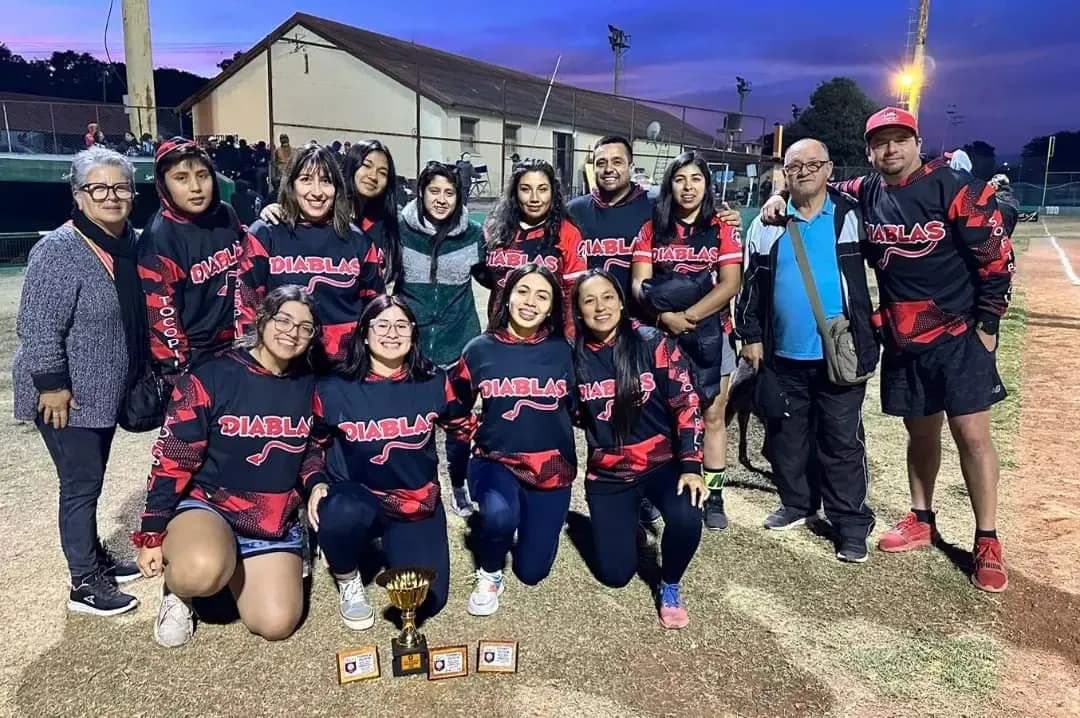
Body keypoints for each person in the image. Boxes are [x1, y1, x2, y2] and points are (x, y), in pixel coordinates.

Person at [762, 107, 1015, 591]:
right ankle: (922, 517)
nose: (890, 149)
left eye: (900, 139)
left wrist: (987, 325)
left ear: (917, 143)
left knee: (972, 437)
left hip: (959, 334)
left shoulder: (954, 186)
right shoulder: (866, 191)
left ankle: (987, 538)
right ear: (869, 152)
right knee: (920, 434)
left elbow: (997, 259)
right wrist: (779, 194)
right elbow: (814, 185)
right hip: (902, 336)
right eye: (880, 142)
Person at [134, 286, 323, 647]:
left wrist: (317, 482)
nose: (292, 332)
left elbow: (313, 447)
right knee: (199, 571)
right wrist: (152, 533)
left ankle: (237, 561)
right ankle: (179, 592)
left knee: (276, 623)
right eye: (283, 320)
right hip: (210, 507)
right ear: (262, 319)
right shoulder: (212, 376)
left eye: (305, 327)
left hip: (268, 519)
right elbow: (173, 458)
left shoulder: (309, 384)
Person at [13, 147, 145, 616]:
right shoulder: (59, 249)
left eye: (120, 187)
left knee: (91, 479)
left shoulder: (132, 243)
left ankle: (93, 559)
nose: (111, 196)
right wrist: (52, 385)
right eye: (98, 188)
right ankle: (84, 582)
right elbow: (37, 326)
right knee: (81, 484)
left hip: (102, 392)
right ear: (78, 194)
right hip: (66, 395)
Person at [737, 138, 878, 562]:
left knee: (841, 442)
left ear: (829, 169)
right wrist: (751, 336)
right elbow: (749, 286)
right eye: (794, 166)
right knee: (786, 436)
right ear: (785, 173)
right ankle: (798, 503)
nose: (804, 172)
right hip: (782, 355)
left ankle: (850, 523)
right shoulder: (768, 224)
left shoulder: (852, 216)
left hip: (840, 353)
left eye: (813, 164)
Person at [305, 296, 475, 628]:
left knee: (429, 601)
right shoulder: (334, 388)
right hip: (358, 497)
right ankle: (347, 575)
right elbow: (312, 443)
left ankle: (393, 542)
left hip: (414, 502)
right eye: (381, 325)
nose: (392, 333)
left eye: (401, 325)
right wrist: (316, 481)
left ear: (414, 333)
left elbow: (462, 426)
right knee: (341, 513)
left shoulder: (433, 381)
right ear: (364, 334)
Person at [572, 270, 709, 628]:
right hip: (609, 475)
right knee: (615, 575)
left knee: (687, 514)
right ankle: (628, 526)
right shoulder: (573, 357)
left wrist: (691, 465)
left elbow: (686, 403)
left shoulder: (652, 342)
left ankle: (670, 583)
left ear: (621, 302)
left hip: (661, 463)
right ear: (579, 311)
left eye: (607, 297)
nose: (600, 307)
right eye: (589, 301)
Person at [454, 264, 577, 617]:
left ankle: (530, 519)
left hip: (551, 468)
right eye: (523, 291)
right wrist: (470, 443)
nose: (530, 302)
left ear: (552, 308)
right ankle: (490, 572)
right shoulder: (479, 349)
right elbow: (454, 408)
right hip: (496, 460)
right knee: (499, 516)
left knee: (532, 572)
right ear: (506, 297)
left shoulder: (564, 351)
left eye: (542, 296)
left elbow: (580, 408)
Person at [631, 151, 742, 531]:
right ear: (669, 186)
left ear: (707, 185)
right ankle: (657, 489)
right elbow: (639, 284)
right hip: (664, 335)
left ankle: (714, 494)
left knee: (712, 414)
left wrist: (688, 318)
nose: (688, 187)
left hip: (712, 334)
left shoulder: (722, 227)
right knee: (662, 413)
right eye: (680, 179)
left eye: (696, 179)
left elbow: (730, 283)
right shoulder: (652, 228)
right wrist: (665, 318)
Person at [235, 143, 384, 365]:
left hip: (345, 369)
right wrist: (253, 365)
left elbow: (376, 308)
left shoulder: (358, 240)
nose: (317, 192)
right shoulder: (265, 234)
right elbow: (246, 306)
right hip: (281, 367)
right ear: (291, 185)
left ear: (337, 188)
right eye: (306, 179)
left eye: (326, 181)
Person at [396, 161, 486, 517]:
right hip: (411, 349)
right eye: (434, 190)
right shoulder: (399, 230)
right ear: (421, 192)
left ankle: (459, 484)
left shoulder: (473, 234)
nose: (441, 199)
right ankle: (415, 485)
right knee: (410, 426)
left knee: (459, 426)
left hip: (458, 343)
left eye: (449, 192)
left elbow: (496, 276)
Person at [138, 138, 243, 381]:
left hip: (238, 347)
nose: (196, 187)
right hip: (195, 359)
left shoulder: (226, 214)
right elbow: (162, 316)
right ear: (163, 184)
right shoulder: (160, 238)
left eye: (202, 175)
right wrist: (179, 370)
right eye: (181, 178)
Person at [260, 140, 403, 286]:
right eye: (366, 165)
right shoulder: (320, 211)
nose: (373, 176)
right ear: (352, 164)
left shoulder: (390, 225)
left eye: (382, 172)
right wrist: (275, 211)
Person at [479, 158, 586, 335]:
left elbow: (573, 293)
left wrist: (569, 339)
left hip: (548, 337)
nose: (534, 198)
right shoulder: (494, 228)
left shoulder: (568, 233)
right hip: (500, 333)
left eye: (542, 189)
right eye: (525, 189)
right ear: (515, 192)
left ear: (553, 192)